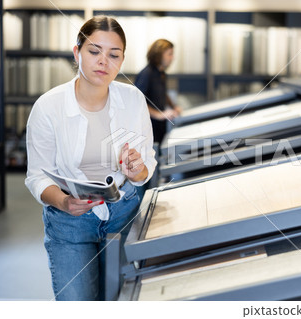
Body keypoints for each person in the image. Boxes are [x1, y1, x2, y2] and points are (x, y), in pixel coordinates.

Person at [25, 16, 157, 301]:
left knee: (123, 301)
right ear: (77, 53)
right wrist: (63, 202)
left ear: (122, 60)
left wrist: (138, 171)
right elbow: (37, 176)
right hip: (70, 222)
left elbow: (147, 166)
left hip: (124, 214)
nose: (103, 62)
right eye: (94, 51)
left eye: (114, 55)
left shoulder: (133, 99)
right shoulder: (48, 107)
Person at [135, 39, 182, 145]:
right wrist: (159, 115)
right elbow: (137, 101)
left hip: (160, 125)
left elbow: (163, 93)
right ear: (159, 55)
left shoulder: (162, 74)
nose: (172, 58)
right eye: (170, 54)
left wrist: (174, 106)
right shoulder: (146, 74)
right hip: (149, 127)